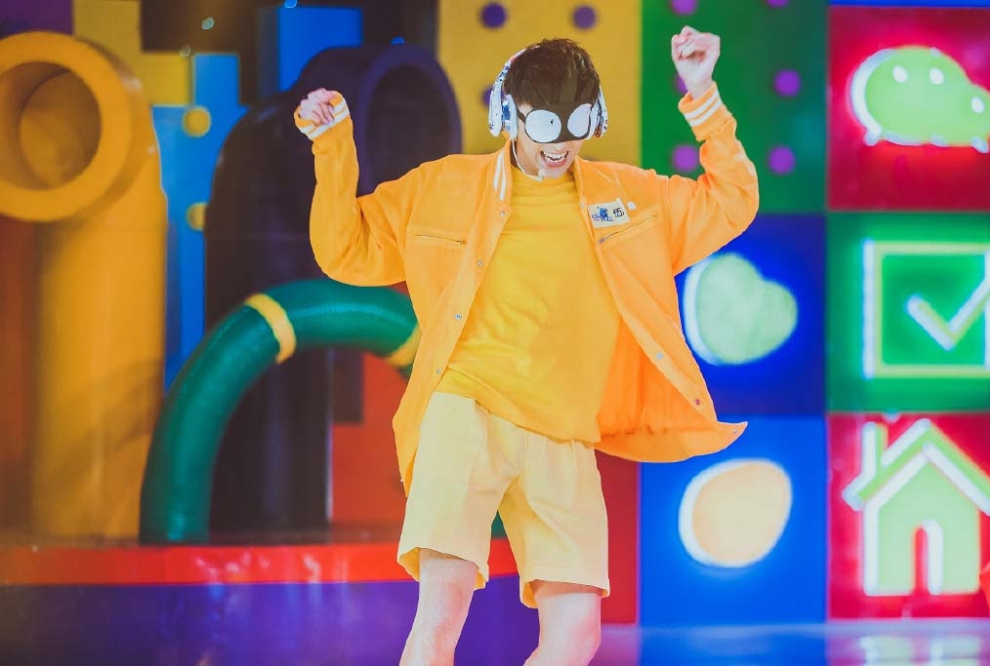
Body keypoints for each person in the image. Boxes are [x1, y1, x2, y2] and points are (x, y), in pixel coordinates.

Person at [295, 26, 758, 666]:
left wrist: (702, 93)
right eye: (544, 126)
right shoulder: (445, 187)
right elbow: (345, 249)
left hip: (563, 432)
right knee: (443, 610)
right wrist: (332, 147)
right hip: (466, 411)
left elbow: (732, 200)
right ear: (510, 115)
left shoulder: (627, 200)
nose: (559, 144)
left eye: (576, 125)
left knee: (577, 635)